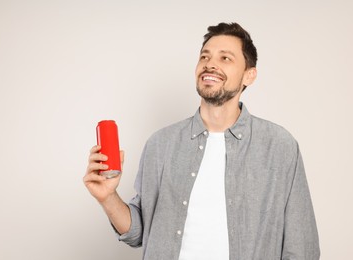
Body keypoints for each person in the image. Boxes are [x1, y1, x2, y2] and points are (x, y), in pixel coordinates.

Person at [84, 22, 320, 260]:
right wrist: (107, 197)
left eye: (225, 58)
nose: (210, 64)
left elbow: (302, 248)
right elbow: (139, 233)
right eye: (204, 56)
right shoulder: (160, 144)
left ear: (249, 75)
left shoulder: (279, 147)